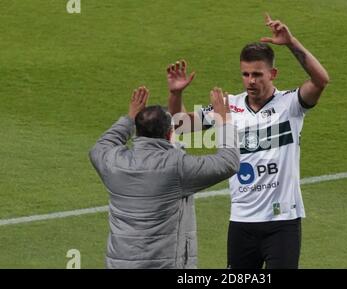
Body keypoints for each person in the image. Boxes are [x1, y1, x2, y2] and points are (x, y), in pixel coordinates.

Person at [167, 13, 329, 269]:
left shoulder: (290, 104)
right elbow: (179, 124)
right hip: (242, 222)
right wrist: (175, 93)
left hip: (283, 222)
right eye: (245, 74)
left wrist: (291, 43)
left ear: (273, 73)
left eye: (257, 74)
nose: (250, 81)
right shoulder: (228, 106)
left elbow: (321, 80)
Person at [89, 86, 239, 269]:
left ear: (137, 131)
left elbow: (102, 145)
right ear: (169, 134)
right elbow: (228, 162)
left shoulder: (113, 161)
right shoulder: (176, 167)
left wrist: (129, 118)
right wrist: (224, 121)